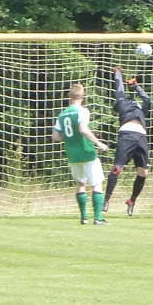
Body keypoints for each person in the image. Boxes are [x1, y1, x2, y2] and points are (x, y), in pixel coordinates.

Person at [52, 84, 109, 225]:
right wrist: (98, 143)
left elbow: (55, 137)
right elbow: (83, 129)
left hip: (71, 152)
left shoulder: (62, 114)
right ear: (82, 97)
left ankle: (84, 218)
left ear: (70, 97)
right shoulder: (82, 111)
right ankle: (98, 218)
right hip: (86, 150)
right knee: (96, 183)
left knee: (80, 183)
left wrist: (70, 137)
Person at [102, 67, 151, 217]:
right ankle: (106, 200)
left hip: (141, 138)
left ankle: (132, 201)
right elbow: (119, 89)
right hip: (127, 135)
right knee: (117, 169)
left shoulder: (142, 110)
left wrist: (136, 86)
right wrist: (118, 73)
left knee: (143, 173)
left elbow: (147, 99)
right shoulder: (123, 104)